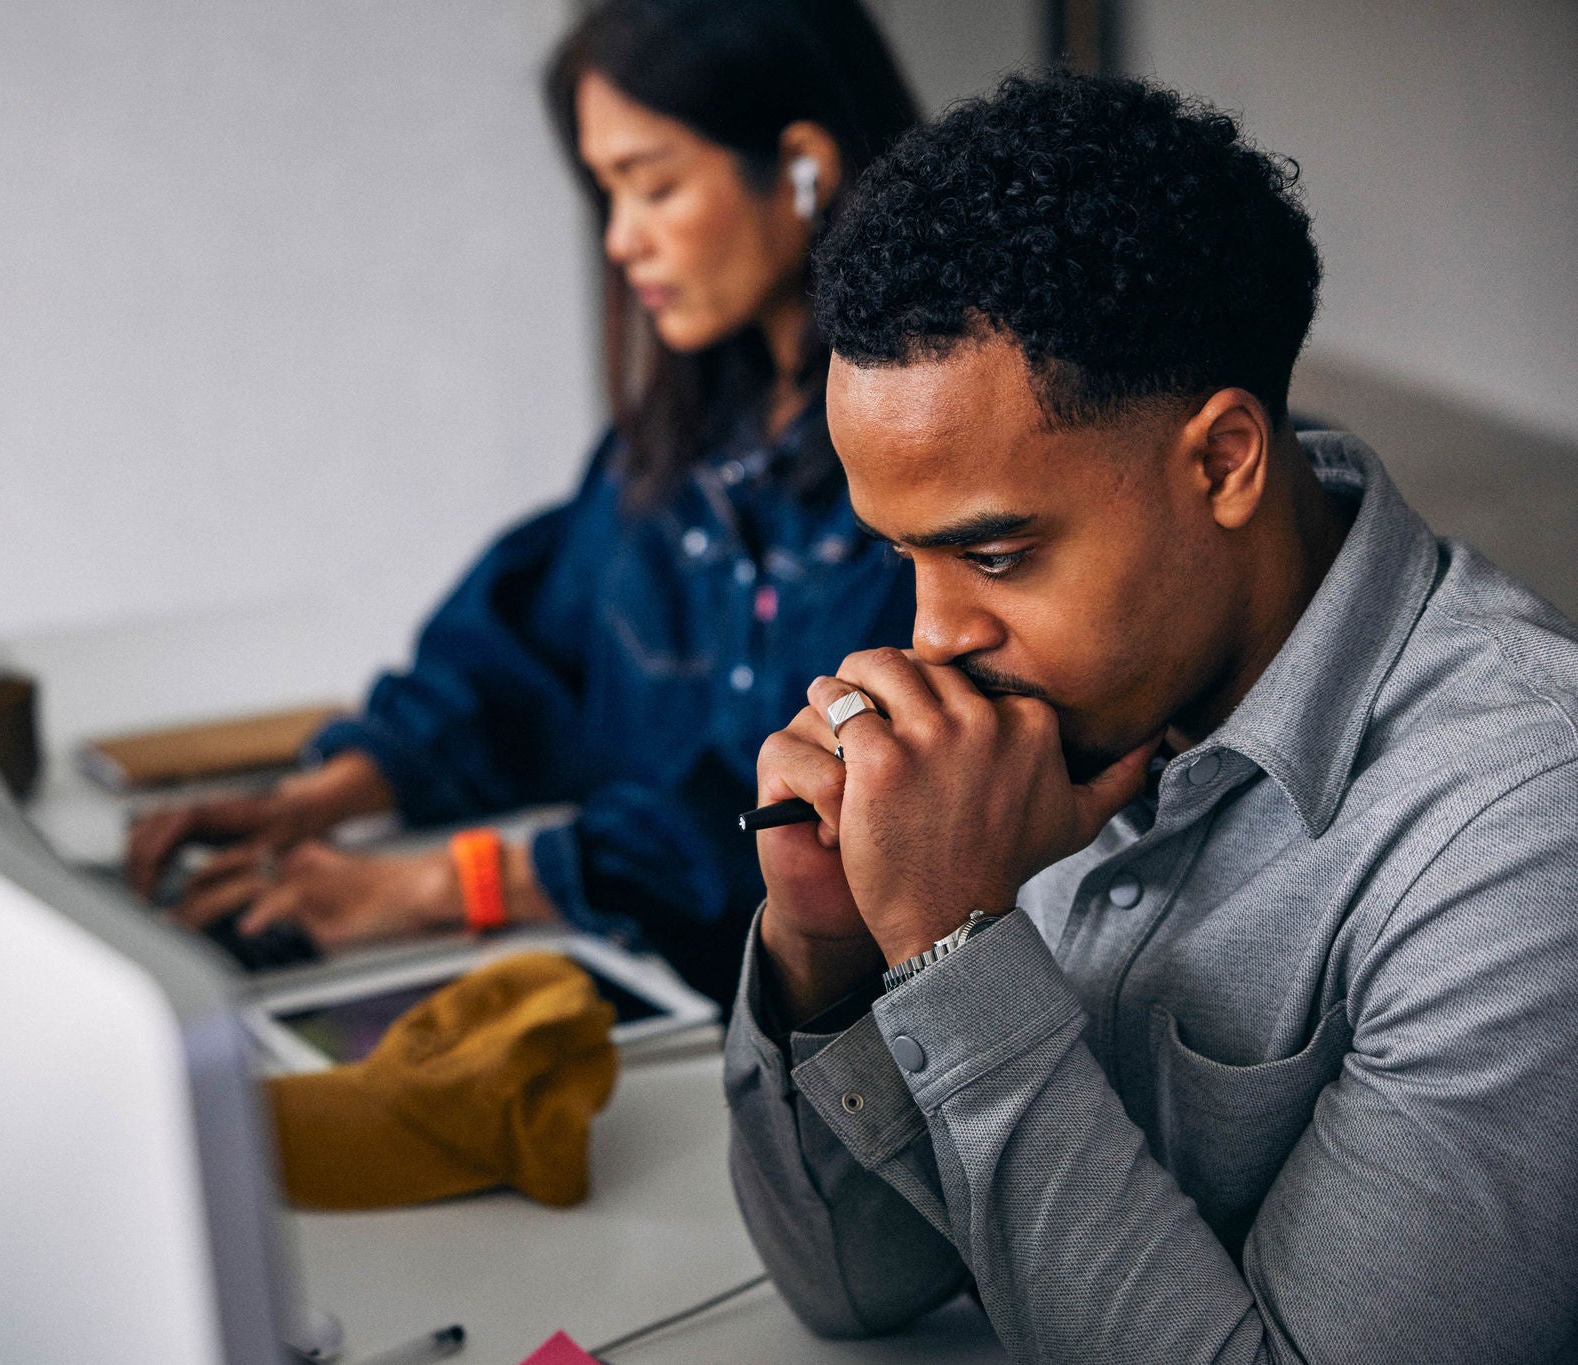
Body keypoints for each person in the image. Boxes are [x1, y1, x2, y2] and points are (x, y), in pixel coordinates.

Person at [729, 71, 1578, 1361]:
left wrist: (956, 955)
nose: (930, 636)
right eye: (905, 558)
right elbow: (854, 1290)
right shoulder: (1042, 711)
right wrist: (827, 951)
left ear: (1223, 462)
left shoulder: (1522, 834)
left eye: (998, 554)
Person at [127, 0, 922, 1005]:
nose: (622, 241)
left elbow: (804, 809)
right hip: (653, 980)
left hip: (815, 1026)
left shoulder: (920, 473)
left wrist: (443, 886)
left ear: (804, 166)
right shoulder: (689, 441)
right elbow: (531, 655)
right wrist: (331, 794)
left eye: (654, 187)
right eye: (606, 195)